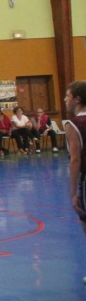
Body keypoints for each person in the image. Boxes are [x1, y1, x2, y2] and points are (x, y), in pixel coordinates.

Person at [61, 80, 86, 284]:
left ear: (77, 99)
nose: (64, 99)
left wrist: (73, 192)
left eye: (67, 96)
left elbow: (75, 159)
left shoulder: (73, 124)